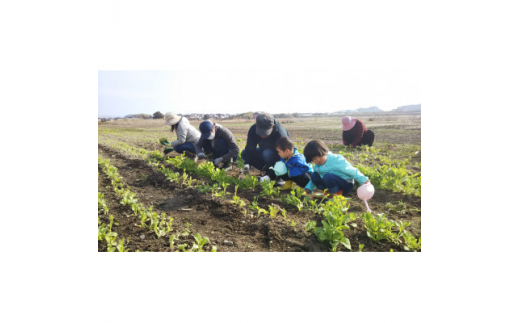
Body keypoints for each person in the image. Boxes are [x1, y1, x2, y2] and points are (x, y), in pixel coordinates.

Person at [303, 140, 370, 198]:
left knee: (327, 176)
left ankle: (336, 193)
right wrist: (309, 188)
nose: (318, 160)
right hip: (331, 184)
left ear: (324, 151)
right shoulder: (317, 166)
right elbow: (313, 179)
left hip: (345, 184)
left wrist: (364, 180)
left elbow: (351, 170)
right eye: (314, 159)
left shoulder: (335, 160)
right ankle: (329, 192)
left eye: (320, 156)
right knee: (314, 175)